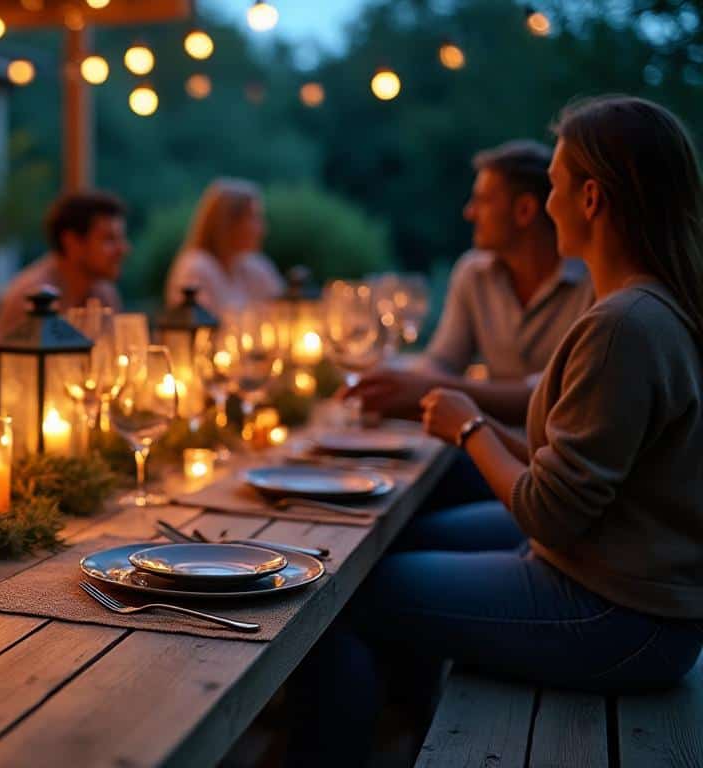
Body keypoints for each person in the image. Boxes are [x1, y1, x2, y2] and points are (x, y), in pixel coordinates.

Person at [288, 96, 703, 767]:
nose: (548, 203)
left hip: (615, 616)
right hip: (620, 590)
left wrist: (470, 425)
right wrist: (467, 426)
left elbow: (548, 513)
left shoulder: (624, 325)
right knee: (388, 553)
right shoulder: (645, 307)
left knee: (339, 598)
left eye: (558, 187)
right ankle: (400, 722)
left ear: (590, 199)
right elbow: (567, 466)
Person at [349, 140, 594, 426]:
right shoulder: (473, 273)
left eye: (483, 200)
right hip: (488, 446)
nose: (470, 212)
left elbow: (555, 398)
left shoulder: (592, 281)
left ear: (525, 210)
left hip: (550, 459)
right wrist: (399, 387)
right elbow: (443, 361)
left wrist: (427, 390)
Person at [0, 190, 128, 339]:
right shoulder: (32, 301)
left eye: (121, 238)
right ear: (72, 243)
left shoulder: (104, 293)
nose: (124, 249)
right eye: (109, 239)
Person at [164, 178, 284, 313]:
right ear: (229, 223)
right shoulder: (195, 269)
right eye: (254, 218)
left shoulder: (254, 267)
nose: (262, 228)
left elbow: (282, 311)